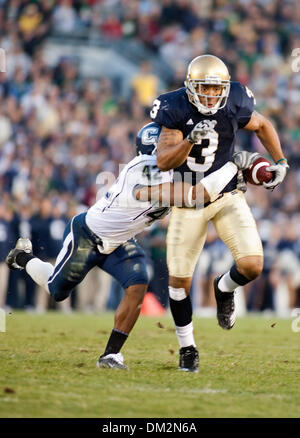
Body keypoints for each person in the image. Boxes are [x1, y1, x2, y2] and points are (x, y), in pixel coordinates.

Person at [6, 122, 256, 371]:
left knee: (138, 282)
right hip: (88, 234)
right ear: (154, 146)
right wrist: (232, 168)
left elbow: (197, 192)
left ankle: (111, 355)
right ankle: (24, 257)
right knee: (57, 290)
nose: (175, 147)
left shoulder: (173, 170)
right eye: (168, 142)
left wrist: (233, 179)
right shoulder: (142, 169)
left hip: (119, 240)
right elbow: (191, 196)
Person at [152, 54, 289, 372]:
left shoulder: (236, 100)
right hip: (188, 199)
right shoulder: (175, 107)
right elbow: (163, 162)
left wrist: (280, 161)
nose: (212, 95)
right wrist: (188, 141)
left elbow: (263, 124)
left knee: (253, 265)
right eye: (206, 88)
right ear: (191, 87)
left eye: (217, 89)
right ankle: (188, 349)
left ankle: (224, 287)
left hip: (226, 193)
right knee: (178, 282)